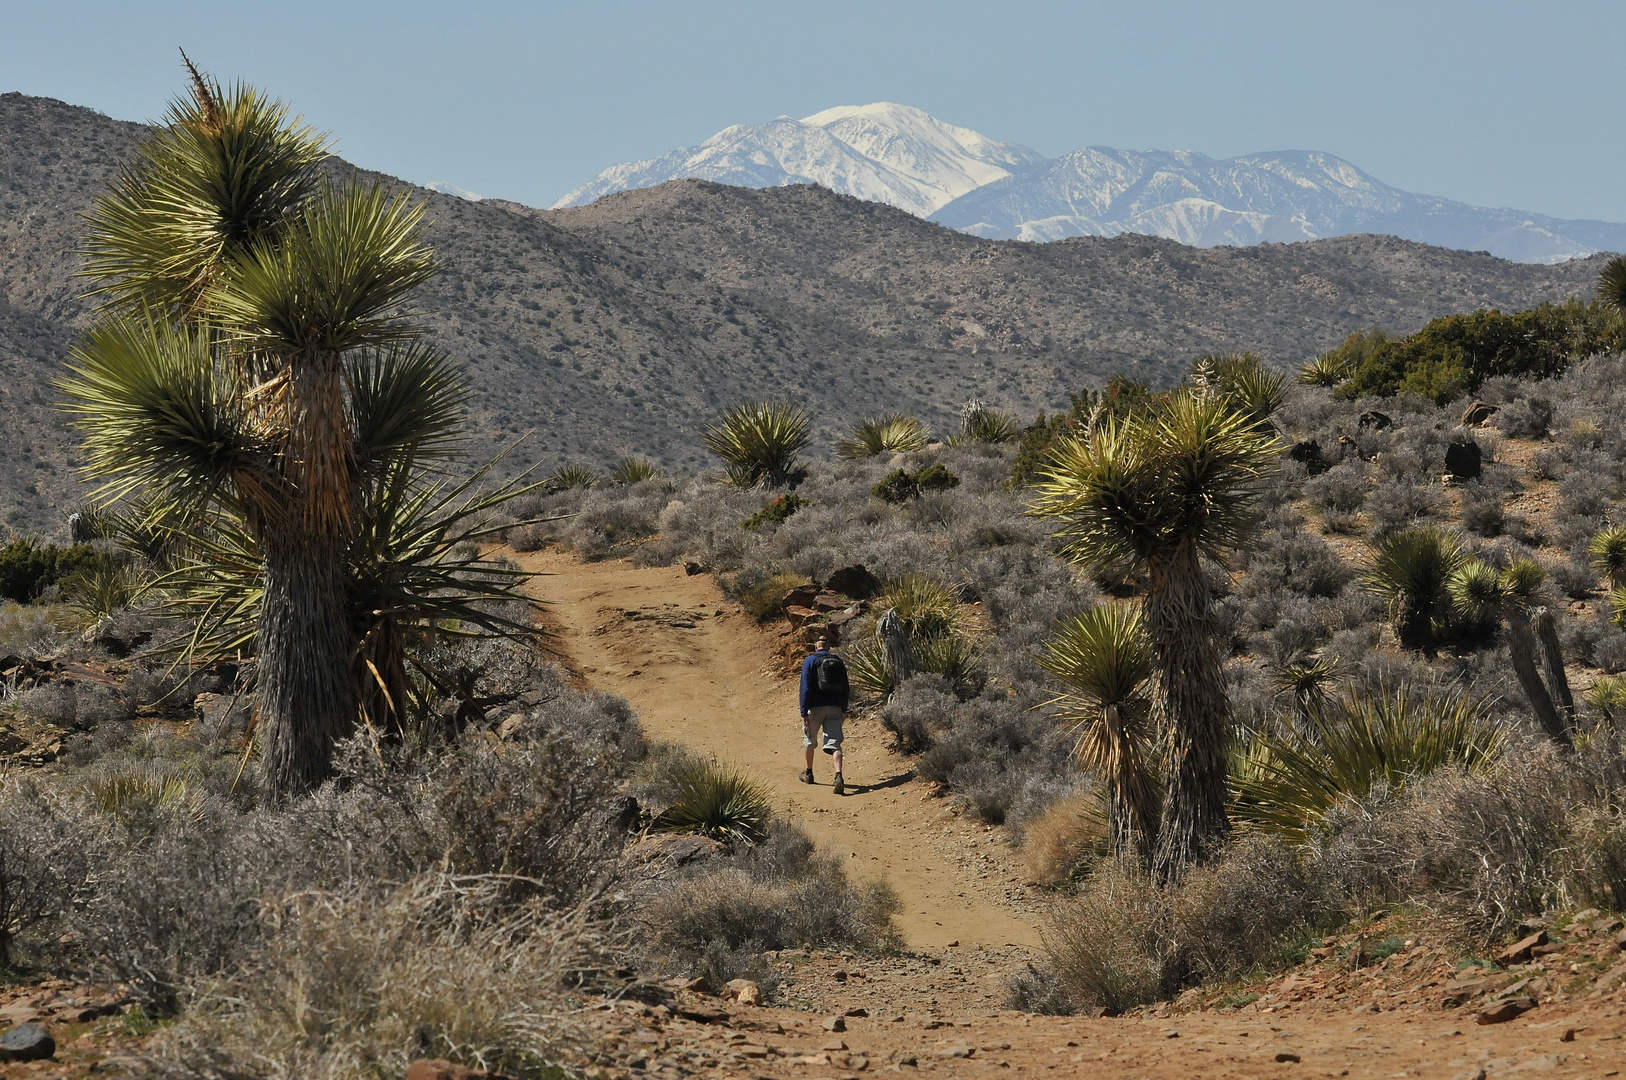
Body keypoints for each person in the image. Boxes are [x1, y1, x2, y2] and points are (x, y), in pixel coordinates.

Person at [799, 635, 850, 794]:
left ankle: (809, 773)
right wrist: (843, 709)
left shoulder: (810, 661)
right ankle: (838, 776)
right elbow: (846, 687)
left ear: (816, 647)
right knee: (835, 743)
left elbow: (805, 687)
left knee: (810, 740)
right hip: (835, 707)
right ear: (828, 647)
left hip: (815, 708)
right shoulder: (838, 661)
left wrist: (803, 712)